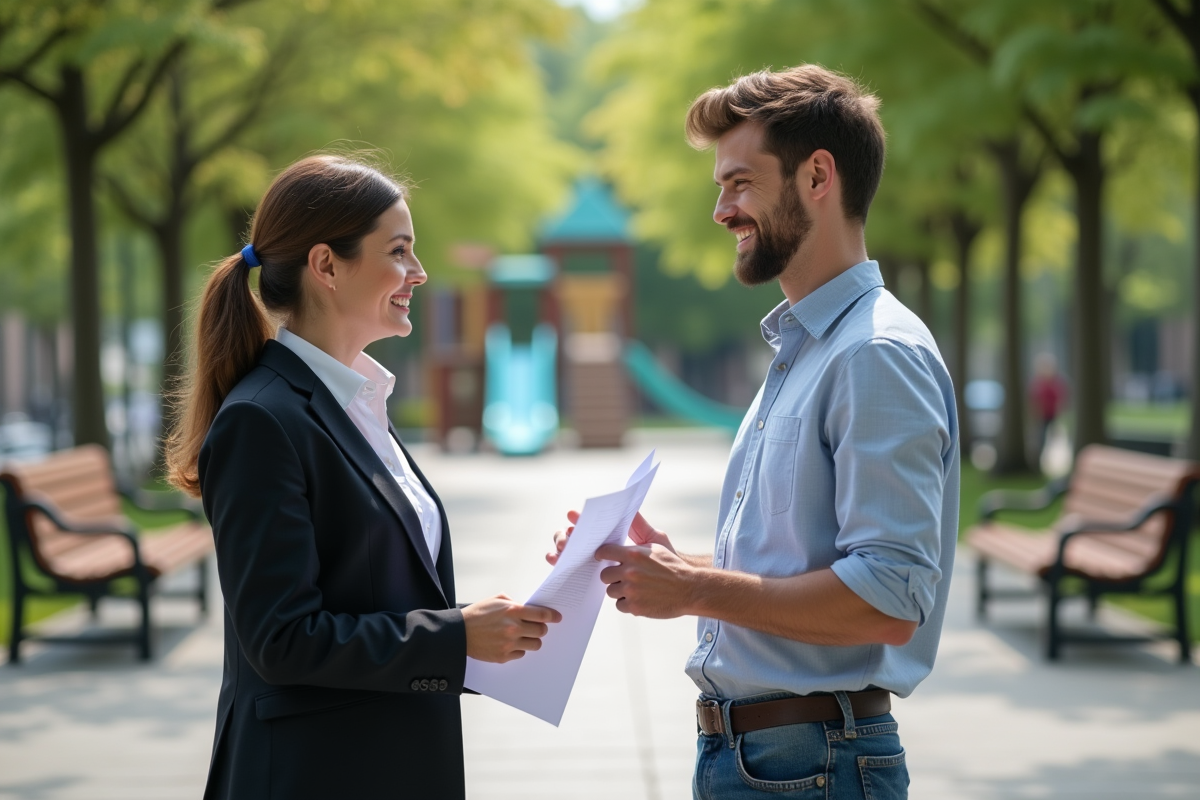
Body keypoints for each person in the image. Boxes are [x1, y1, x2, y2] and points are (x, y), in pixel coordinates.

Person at [550, 66, 959, 799]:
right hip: (772, 759)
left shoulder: (874, 354)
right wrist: (671, 567)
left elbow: (890, 599)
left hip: (814, 764)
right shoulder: (811, 349)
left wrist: (700, 588)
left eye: (738, 183)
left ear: (817, 177)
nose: (721, 210)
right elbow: (807, 556)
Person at [167, 155, 560, 800]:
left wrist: (483, 633)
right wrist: (456, 635)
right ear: (326, 266)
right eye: (399, 251)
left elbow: (372, 591)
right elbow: (283, 638)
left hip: (383, 760)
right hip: (315, 772)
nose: (420, 272)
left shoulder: (357, 405)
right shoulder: (261, 421)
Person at [1029, 352, 1068, 461]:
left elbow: (1061, 398)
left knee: (1053, 438)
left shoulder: (1057, 382)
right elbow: (1034, 400)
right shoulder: (1037, 382)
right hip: (1041, 415)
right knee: (1040, 437)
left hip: (1053, 414)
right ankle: (1038, 458)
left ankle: (1045, 458)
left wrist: (1061, 411)